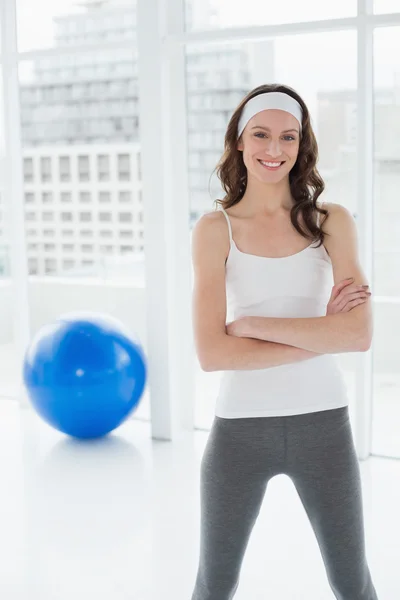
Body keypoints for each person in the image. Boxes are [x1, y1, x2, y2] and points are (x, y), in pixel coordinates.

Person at [190, 83, 378, 600]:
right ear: (240, 141)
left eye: (288, 137)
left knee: (352, 583)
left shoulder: (330, 221)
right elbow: (212, 354)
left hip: (325, 427)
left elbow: (358, 334)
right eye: (261, 135)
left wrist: (253, 326)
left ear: (302, 145)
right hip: (238, 433)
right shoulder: (214, 229)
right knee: (214, 585)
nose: (274, 150)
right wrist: (324, 332)